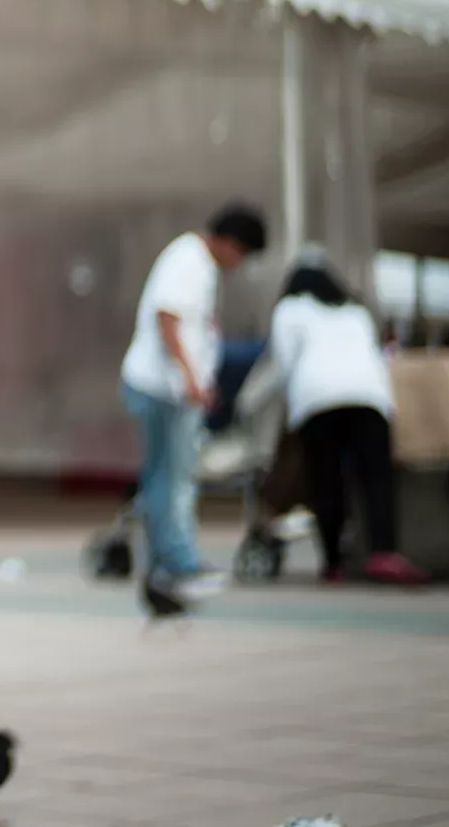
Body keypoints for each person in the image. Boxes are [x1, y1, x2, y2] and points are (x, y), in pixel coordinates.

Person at [121, 203, 268, 605]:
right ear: (229, 242)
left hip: (172, 388)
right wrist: (189, 378)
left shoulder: (196, 261)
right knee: (173, 480)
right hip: (163, 389)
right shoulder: (187, 259)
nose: (238, 264)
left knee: (165, 478)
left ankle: (165, 564)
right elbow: (167, 317)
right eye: (241, 253)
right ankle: (178, 564)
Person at [269, 252, 429, 585]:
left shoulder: (289, 310)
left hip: (316, 398)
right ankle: (383, 551)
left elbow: (283, 363)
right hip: (369, 395)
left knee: (326, 479)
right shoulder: (355, 311)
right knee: (377, 477)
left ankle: (333, 561)